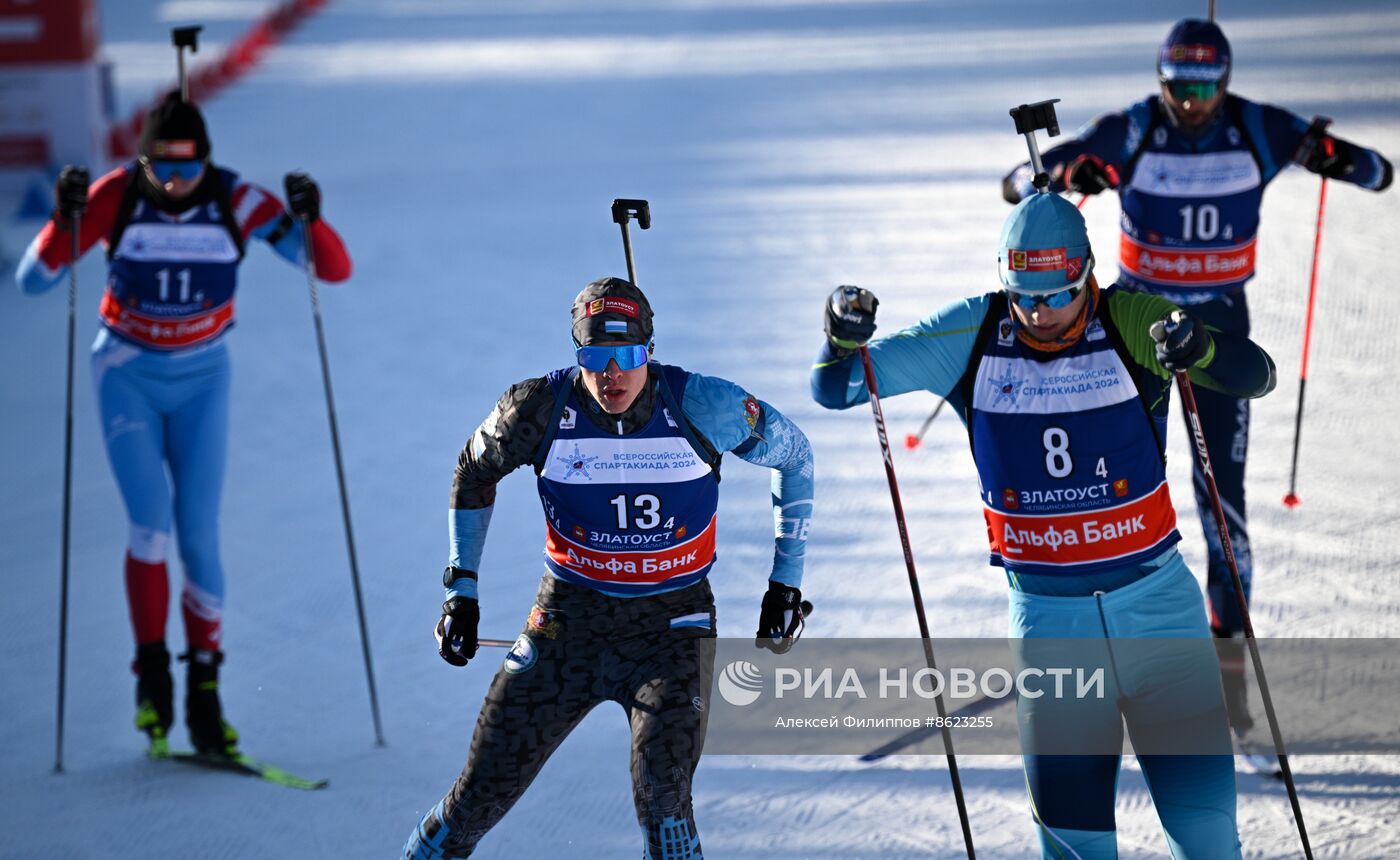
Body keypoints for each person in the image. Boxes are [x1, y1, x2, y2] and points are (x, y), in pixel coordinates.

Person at [812, 191, 1276, 857]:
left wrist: (1199, 346)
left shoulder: (1131, 318)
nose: (1039, 313)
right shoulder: (972, 333)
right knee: (1073, 847)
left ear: (1087, 273)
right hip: (1053, 637)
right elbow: (839, 387)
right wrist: (840, 338)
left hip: (1162, 621)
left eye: (1056, 295)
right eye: (1023, 296)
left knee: (1207, 842)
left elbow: (1256, 374)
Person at [1000, 18, 1392, 739]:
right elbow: (1017, 184)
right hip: (1136, 329)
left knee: (1222, 502)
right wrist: (1068, 173)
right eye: (1179, 85)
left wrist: (1338, 157)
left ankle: (1230, 675)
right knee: (1126, 494)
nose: (1191, 101)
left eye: (1206, 85)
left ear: (1227, 79)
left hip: (1217, 329)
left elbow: (1379, 173)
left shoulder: (1257, 128)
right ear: (1161, 80)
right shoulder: (1134, 130)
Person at [403, 277, 815, 859]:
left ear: (649, 349)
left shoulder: (703, 405)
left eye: (627, 355)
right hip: (567, 624)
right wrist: (461, 590)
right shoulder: (537, 409)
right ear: (578, 355)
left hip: (671, 629)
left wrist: (785, 585)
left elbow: (795, 455)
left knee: (664, 800)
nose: (611, 373)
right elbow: (473, 470)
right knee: (478, 795)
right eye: (596, 356)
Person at [15, 91, 352, 757]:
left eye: (189, 170)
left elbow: (333, 270)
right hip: (126, 373)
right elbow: (33, 281)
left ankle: (204, 690)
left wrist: (313, 221)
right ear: (141, 164)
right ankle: (151, 681)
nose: (175, 184)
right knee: (150, 526)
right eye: (163, 172)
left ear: (207, 161)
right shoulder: (117, 195)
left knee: (198, 531)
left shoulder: (237, 199)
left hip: (203, 377)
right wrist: (64, 218)